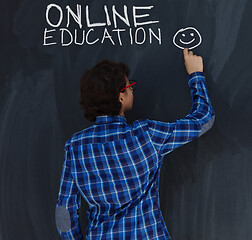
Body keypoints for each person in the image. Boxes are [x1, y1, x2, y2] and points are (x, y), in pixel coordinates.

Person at [55, 48, 215, 239]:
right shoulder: (146, 135)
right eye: (129, 86)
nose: (131, 89)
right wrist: (196, 75)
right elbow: (204, 120)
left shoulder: (75, 147)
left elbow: (65, 211)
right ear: (121, 97)